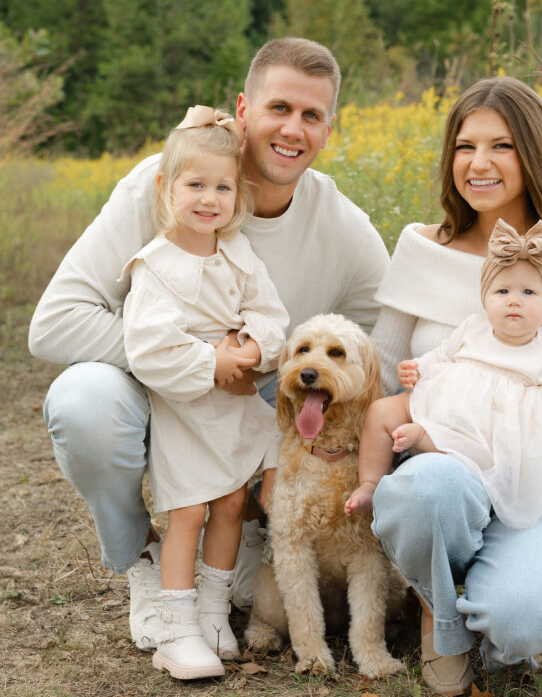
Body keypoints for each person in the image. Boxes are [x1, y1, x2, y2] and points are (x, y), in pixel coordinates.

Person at [28, 37, 390, 652]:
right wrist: (199, 361)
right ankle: (141, 557)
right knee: (82, 402)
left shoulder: (344, 228)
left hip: (257, 417)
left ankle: (250, 525)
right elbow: (55, 322)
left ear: (330, 128)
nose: (292, 129)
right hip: (156, 394)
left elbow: (382, 350)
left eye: (311, 115)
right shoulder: (170, 183)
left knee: (255, 597)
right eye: (279, 108)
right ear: (244, 109)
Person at [368, 76, 542, 697]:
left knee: (525, 619)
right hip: (433, 459)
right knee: (431, 486)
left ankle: (489, 595)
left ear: (534, 156)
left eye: (501, 146)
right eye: (464, 145)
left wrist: (481, 404)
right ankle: (438, 614)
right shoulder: (422, 245)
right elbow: (381, 368)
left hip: (534, 470)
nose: (478, 164)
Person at [122, 106, 289, 679]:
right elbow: (148, 349)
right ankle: (177, 627)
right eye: (195, 185)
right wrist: (210, 361)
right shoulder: (156, 266)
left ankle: (216, 613)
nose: (209, 199)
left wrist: (250, 346)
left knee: (229, 503)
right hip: (187, 407)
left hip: (235, 407)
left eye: (222, 187)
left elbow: (271, 314)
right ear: (167, 188)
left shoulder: (237, 251)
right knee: (189, 508)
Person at [345, 219, 542, 528]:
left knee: (481, 455)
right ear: (485, 298)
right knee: (382, 410)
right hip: (444, 402)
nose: (514, 300)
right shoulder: (473, 328)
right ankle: (370, 483)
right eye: (502, 290)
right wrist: (417, 368)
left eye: (530, 292)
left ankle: (424, 439)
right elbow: (442, 354)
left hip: (490, 433)